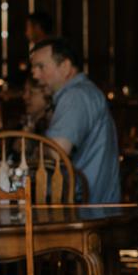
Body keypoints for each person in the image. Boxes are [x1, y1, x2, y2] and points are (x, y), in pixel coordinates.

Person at [30, 36, 121, 204]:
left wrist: (37, 149)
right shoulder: (83, 92)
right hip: (92, 201)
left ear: (65, 67)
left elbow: (57, 151)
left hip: (85, 207)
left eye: (41, 67)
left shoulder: (75, 96)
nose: (35, 74)